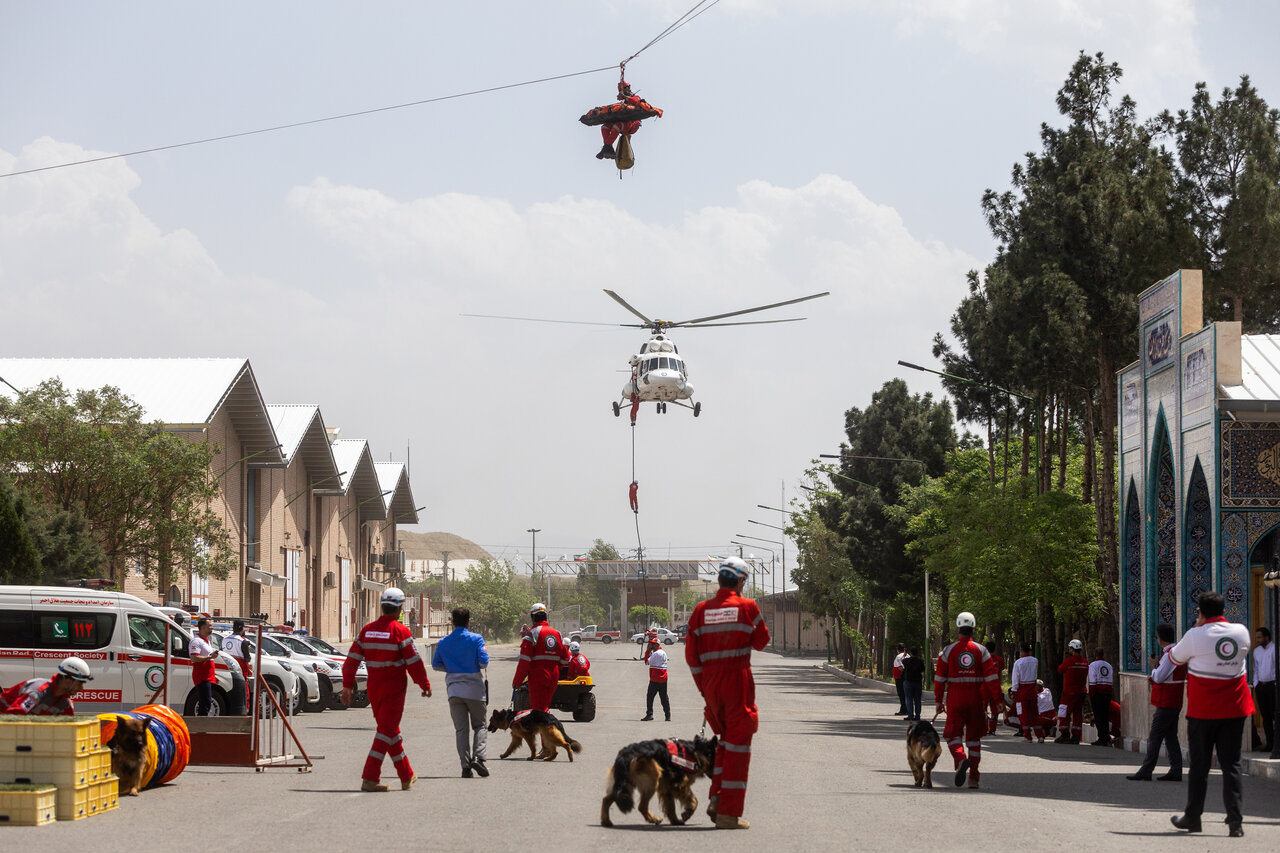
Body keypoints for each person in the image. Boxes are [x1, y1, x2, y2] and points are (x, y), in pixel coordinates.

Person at [686, 556, 770, 830]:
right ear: (741, 581)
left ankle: (717, 799)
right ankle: (728, 814)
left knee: (724, 742)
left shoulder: (700, 610)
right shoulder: (747, 607)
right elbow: (762, 642)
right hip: (737, 683)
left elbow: (692, 657)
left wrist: (704, 690)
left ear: (720, 578)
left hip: (710, 685)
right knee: (738, 747)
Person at [1166, 591, 1253, 837]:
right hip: (1235, 709)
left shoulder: (1195, 635)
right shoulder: (1242, 632)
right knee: (1232, 765)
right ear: (1224, 610)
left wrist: (1197, 628)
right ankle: (1235, 823)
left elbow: (1174, 658)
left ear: (1201, 612)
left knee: (1200, 766)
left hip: (1203, 712)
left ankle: (1193, 818)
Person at [343, 586, 432, 792]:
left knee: (390, 731)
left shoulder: (367, 630)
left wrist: (348, 685)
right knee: (385, 732)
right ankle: (370, 777)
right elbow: (414, 662)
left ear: (382, 606)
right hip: (394, 691)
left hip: (374, 690)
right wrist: (424, 684)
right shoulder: (400, 631)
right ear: (399, 609)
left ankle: (406, 775)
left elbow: (351, 661)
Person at [934, 611, 1002, 789]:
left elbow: (939, 678)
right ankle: (973, 778)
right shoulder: (982, 651)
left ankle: (960, 758)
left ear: (958, 627)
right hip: (976, 699)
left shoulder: (948, 651)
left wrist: (938, 700)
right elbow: (991, 678)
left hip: (955, 699)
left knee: (952, 735)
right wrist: (998, 699)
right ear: (973, 628)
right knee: (974, 739)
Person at [432, 607, 490, 779]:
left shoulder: (443, 643)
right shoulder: (476, 639)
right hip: (475, 691)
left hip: (454, 691)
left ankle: (465, 767)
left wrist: (452, 669)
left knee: (461, 730)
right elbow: (484, 662)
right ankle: (479, 758)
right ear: (469, 621)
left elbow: (436, 665)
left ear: (452, 621)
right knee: (480, 725)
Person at [1128, 623, 1185, 782]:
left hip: (1167, 701)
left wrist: (1153, 668)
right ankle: (1176, 769)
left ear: (1160, 639)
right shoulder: (1177, 653)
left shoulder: (1169, 655)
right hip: (1173, 700)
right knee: (1171, 737)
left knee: (1155, 736)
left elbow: (1159, 677)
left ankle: (1147, 769)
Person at [513, 602, 569, 713]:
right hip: (553, 676)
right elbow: (565, 658)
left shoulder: (531, 634)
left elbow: (525, 661)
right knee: (544, 706)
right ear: (546, 617)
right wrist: (555, 668)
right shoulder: (557, 634)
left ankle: (547, 729)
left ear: (532, 617)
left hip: (538, 676)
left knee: (538, 709)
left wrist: (517, 681)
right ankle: (546, 727)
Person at [1, 656, 93, 715]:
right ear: (68, 680)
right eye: (80, 683)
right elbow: (12, 716)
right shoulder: (36, 692)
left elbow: (69, 728)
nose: (81, 688)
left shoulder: (65, 704)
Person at [1055, 639, 1089, 744]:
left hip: (1069, 692)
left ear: (1072, 649)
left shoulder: (1069, 661)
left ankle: (1065, 735)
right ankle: (1076, 736)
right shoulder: (1085, 662)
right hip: (1081, 692)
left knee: (1064, 712)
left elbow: (1060, 670)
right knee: (1078, 714)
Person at [1011, 642, 1044, 742]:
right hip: (1032, 690)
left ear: (1021, 651)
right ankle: (1040, 736)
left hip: (1022, 692)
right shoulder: (1035, 660)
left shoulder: (1018, 663)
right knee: (1034, 714)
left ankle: (1027, 736)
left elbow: (1015, 678)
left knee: (1023, 715)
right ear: (1030, 650)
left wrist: (1013, 691)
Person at [190, 617, 219, 716]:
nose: (212, 628)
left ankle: (203, 727)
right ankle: (201, 727)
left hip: (208, 676)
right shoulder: (196, 641)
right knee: (205, 703)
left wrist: (214, 675)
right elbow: (194, 658)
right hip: (202, 677)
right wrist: (210, 657)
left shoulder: (206, 640)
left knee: (207, 702)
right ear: (202, 628)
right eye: (209, 626)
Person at [1252, 626, 1274, 752]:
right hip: (1261, 687)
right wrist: (1256, 684)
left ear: (1267, 637)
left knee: (1275, 714)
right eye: (1257, 637)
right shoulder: (1257, 651)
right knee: (1265, 716)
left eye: (1259, 637)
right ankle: (1270, 743)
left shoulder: (1275, 649)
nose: (1258, 640)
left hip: (1272, 686)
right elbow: (1256, 669)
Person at [1087, 648, 1115, 746]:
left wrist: (1092, 694)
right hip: (1107, 693)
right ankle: (1106, 738)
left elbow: (1092, 680)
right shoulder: (1109, 666)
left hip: (1097, 692)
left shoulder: (1093, 665)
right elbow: (1111, 680)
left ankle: (1102, 738)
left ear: (1095, 654)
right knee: (1105, 716)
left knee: (1099, 716)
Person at [642, 641, 670, 722]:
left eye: (653, 644)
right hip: (663, 678)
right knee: (664, 698)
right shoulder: (663, 652)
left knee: (650, 697)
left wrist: (647, 651)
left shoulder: (656, 653)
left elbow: (647, 662)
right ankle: (668, 715)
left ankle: (649, 714)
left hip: (655, 679)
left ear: (657, 645)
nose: (651, 645)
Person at [902, 646, 925, 721]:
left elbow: (902, 666)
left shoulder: (906, 661)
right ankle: (917, 715)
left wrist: (904, 655)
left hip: (908, 681)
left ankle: (910, 715)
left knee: (908, 698)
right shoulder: (920, 661)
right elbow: (923, 669)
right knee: (917, 699)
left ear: (910, 653)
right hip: (918, 682)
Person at [892, 643, 908, 716]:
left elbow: (900, 667)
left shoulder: (899, 656)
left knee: (901, 694)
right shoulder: (907, 655)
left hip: (900, 678)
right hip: (905, 678)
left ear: (898, 649)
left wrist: (904, 673)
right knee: (905, 694)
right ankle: (906, 709)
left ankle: (903, 710)